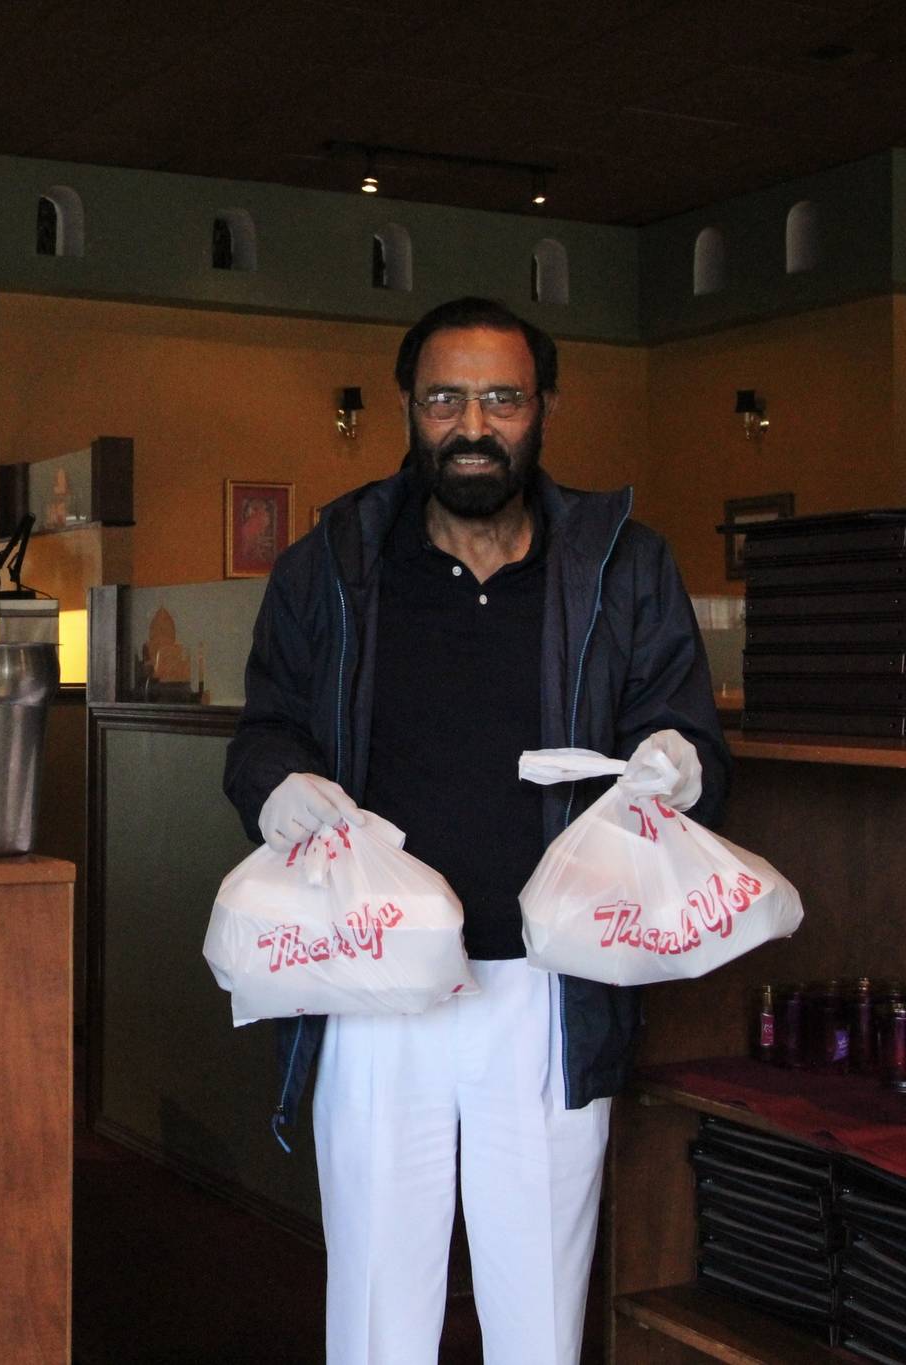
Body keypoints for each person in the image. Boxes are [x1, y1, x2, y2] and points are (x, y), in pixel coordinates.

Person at [222, 296, 729, 1365]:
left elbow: (688, 735)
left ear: (543, 408)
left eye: (501, 398)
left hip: (550, 986)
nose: (472, 425)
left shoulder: (621, 566)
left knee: (539, 1311)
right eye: (444, 399)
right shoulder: (335, 561)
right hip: (373, 973)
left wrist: (677, 765)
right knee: (376, 1310)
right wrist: (276, 788)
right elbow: (263, 727)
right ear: (408, 409)